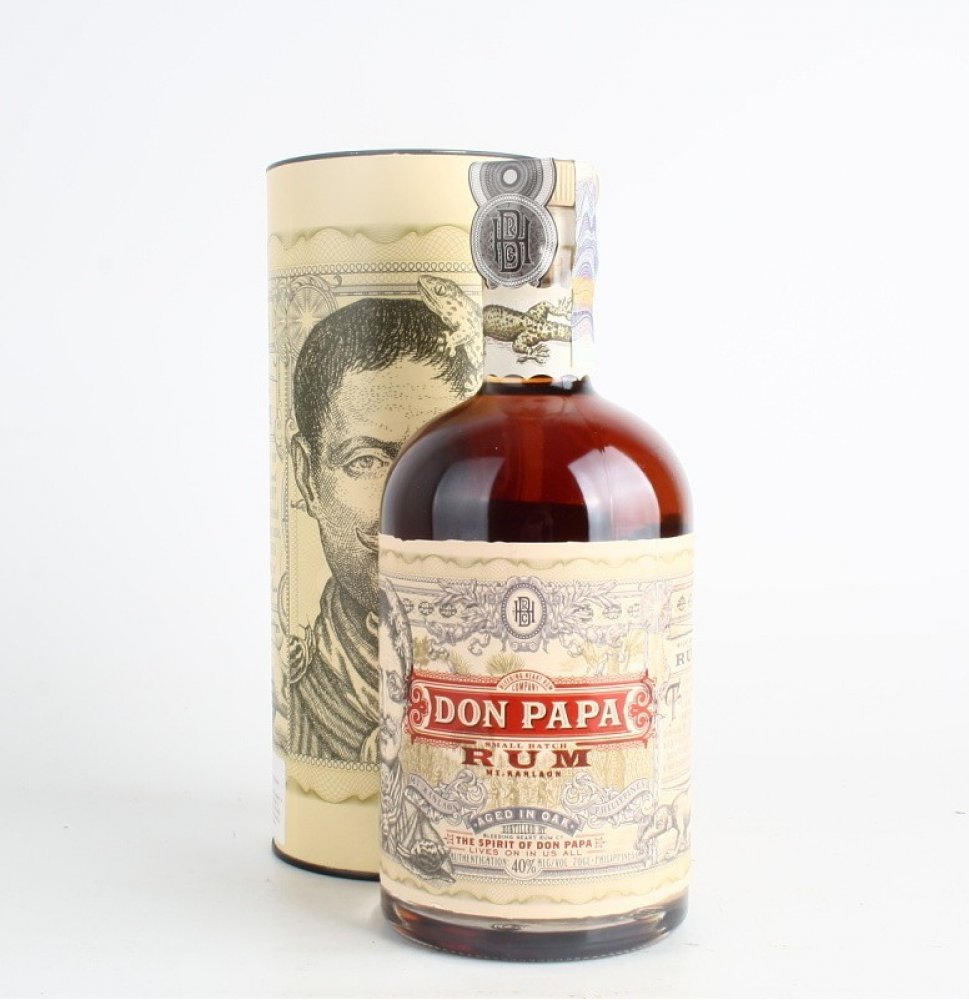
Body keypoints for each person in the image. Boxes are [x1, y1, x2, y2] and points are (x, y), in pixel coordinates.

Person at [287, 296, 476, 764]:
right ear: (307, 477)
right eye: (365, 460)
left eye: (437, 458)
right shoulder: (303, 700)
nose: (404, 498)